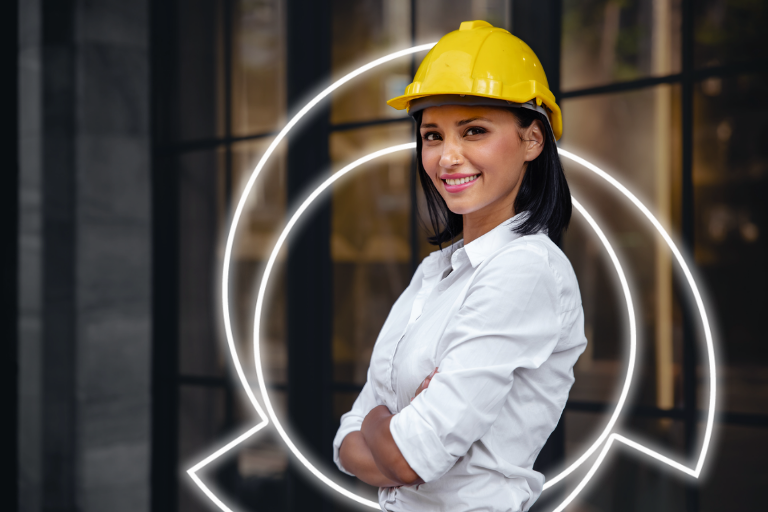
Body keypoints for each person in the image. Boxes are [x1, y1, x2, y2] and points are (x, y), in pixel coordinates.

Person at [333, 20, 587, 512]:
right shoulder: (437, 273)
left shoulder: (526, 270)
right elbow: (345, 445)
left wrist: (379, 420)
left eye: (474, 131)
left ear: (533, 140)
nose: (448, 157)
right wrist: (388, 422)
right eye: (432, 135)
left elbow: (407, 459)